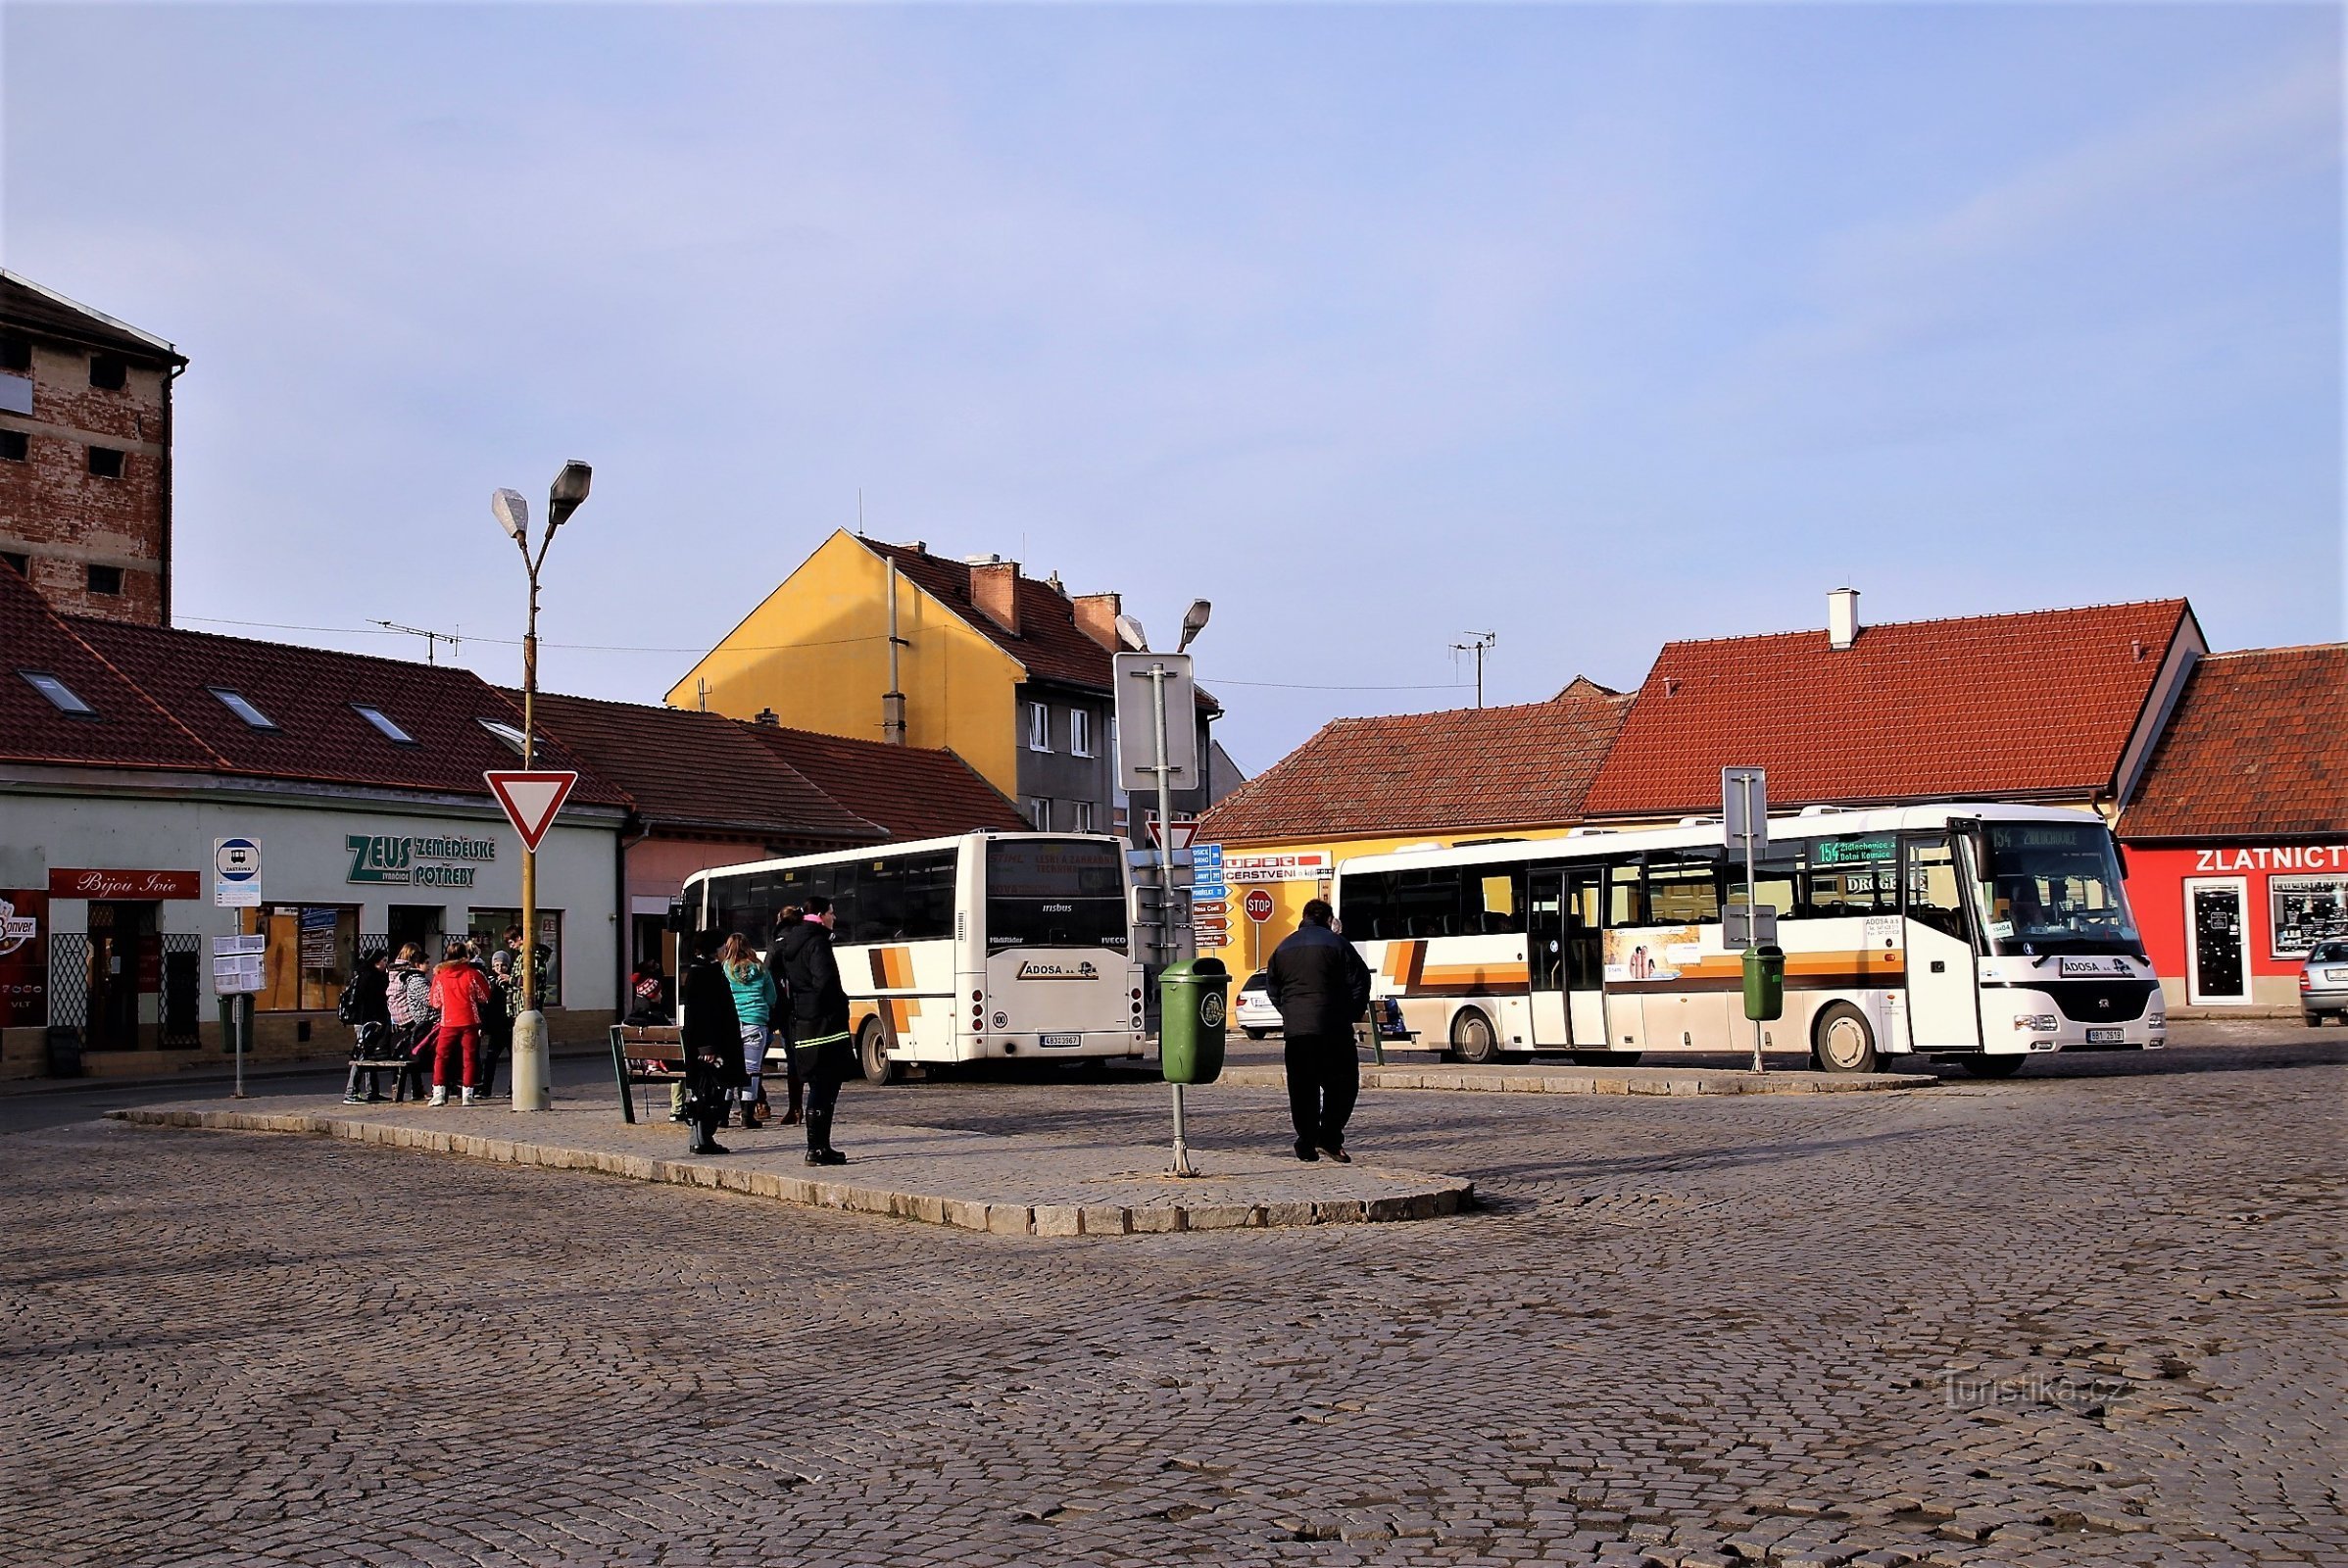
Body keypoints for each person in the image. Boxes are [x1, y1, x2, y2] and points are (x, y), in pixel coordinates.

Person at [1263, 899, 1373, 1163]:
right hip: (1334, 1029)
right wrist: (1349, 1015)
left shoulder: (1282, 947)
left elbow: (1273, 990)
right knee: (1343, 1085)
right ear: (1328, 919)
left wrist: (1290, 1014)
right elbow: (1361, 982)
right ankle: (1330, 1137)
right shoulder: (1339, 944)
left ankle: (1306, 1141)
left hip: (1297, 1033)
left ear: (1303, 917)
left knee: (1302, 1089)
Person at [773, 895, 852, 1165]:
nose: (834, 918)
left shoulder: (792, 942)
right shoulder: (817, 942)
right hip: (824, 1023)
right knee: (826, 1084)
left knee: (818, 1083)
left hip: (803, 1020)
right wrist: (839, 1005)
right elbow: (825, 981)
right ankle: (817, 1148)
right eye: (831, 912)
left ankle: (818, 1146)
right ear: (819, 914)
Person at [679, 927, 746, 1155]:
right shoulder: (704, 973)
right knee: (708, 1092)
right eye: (721, 947)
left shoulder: (705, 970)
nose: (724, 951)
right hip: (709, 1044)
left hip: (714, 1041)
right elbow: (702, 1013)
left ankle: (702, 1137)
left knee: (708, 1090)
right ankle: (702, 1138)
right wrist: (707, 1047)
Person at [426, 939, 495, 1107]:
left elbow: (435, 1002)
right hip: (470, 1020)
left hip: (448, 1021)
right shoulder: (473, 975)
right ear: (466, 956)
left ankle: (439, 1093)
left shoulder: (440, 977)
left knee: (441, 1057)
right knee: (469, 1058)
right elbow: (484, 997)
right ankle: (467, 1094)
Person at [719, 932, 777, 1129]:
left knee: (728, 1069)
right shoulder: (761, 969)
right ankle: (747, 1115)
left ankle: (723, 1115)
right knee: (752, 1071)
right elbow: (772, 998)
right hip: (755, 1023)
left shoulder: (725, 969)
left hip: (731, 1024)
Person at [763, 906, 806, 1126]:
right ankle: (799, 1107)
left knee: (787, 1056)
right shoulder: (806, 940)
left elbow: (767, 973)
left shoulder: (778, 942)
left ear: (780, 920)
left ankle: (761, 1104)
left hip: (782, 1006)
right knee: (798, 1057)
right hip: (804, 1005)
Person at [341, 953, 395, 1104]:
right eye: (383, 961)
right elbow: (372, 1001)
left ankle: (373, 1091)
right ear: (375, 962)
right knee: (362, 1056)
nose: (385, 964)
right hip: (366, 1022)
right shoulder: (369, 977)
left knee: (370, 1057)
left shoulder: (370, 976)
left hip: (371, 1022)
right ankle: (351, 1092)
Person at [385, 942, 436, 1099]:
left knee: (406, 1052)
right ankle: (418, 1088)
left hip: (396, 1017)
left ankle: (405, 1087)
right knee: (415, 1051)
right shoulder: (410, 975)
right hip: (409, 1016)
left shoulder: (393, 971)